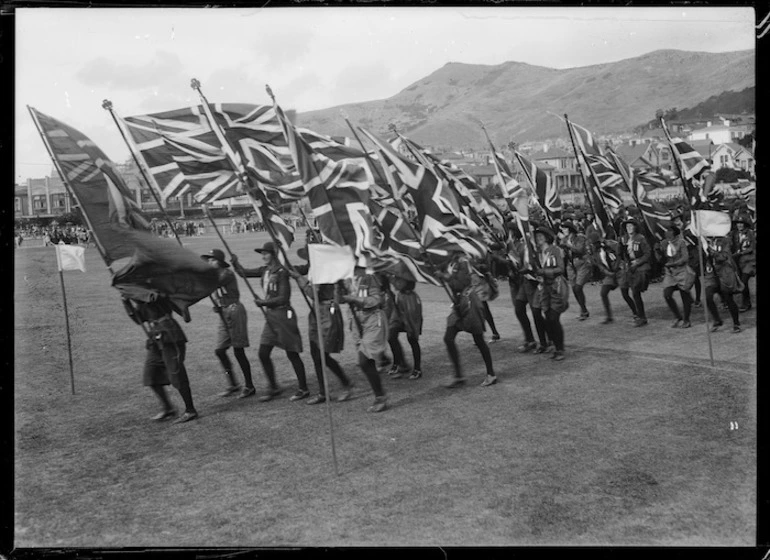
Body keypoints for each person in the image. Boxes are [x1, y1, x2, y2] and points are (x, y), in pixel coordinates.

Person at [232, 242, 310, 402]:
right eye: (262, 253)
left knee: (291, 353)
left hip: (283, 314)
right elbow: (243, 273)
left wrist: (263, 303)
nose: (263, 256)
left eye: (266, 253)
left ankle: (303, 388)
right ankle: (274, 387)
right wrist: (235, 262)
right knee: (263, 353)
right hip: (271, 317)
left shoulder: (282, 271)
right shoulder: (264, 271)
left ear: (274, 255)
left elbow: (283, 297)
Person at [289, 247, 354, 405]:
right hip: (317, 313)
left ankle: (345, 384)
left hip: (327, 313)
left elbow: (313, 294)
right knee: (316, 354)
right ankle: (324, 392)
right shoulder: (316, 270)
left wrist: (299, 278)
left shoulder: (325, 272)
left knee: (322, 355)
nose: (309, 260)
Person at [122, 292, 199, 424]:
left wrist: (132, 295)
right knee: (151, 374)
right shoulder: (141, 299)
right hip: (155, 339)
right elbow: (138, 319)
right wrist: (126, 302)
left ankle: (190, 410)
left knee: (177, 374)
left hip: (169, 336)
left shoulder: (156, 293)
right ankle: (168, 408)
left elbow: (153, 298)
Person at [435, 251, 498, 387]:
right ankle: (458, 376)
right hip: (458, 303)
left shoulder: (463, 262)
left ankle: (491, 374)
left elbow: (461, 283)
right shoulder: (450, 263)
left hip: (470, 303)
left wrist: (445, 277)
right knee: (448, 338)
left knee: (479, 340)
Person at [200, 248, 257, 399]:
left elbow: (214, 284)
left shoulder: (227, 273)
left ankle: (249, 385)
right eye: (208, 260)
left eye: (212, 259)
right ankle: (233, 383)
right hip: (224, 313)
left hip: (235, 311)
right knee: (220, 350)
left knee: (238, 350)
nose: (209, 262)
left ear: (219, 261)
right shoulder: (216, 275)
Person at [341, 266, 389, 413]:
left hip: (373, 319)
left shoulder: (369, 277)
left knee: (364, 360)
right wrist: (337, 287)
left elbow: (376, 300)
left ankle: (381, 397)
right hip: (356, 321)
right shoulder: (346, 278)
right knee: (366, 363)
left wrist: (354, 298)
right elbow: (339, 299)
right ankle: (380, 395)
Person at [533, 226, 569, 361]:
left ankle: (560, 349)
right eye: (537, 236)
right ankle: (555, 345)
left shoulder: (555, 250)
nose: (538, 238)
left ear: (547, 237)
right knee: (548, 318)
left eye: (541, 236)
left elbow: (561, 268)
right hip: (544, 288)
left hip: (556, 286)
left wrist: (544, 272)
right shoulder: (536, 253)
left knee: (554, 318)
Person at [386, 272, 424, 380]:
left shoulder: (407, 269)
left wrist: (390, 277)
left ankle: (417, 369)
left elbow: (399, 285)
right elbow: (397, 285)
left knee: (412, 337)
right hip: (400, 300)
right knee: (391, 335)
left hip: (410, 302)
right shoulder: (397, 268)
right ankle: (398, 363)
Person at [703, 235, 742, 333]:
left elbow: (723, 256)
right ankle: (717, 320)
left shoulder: (724, 241)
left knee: (728, 299)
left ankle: (736, 324)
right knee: (707, 296)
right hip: (712, 275)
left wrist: (710, 251)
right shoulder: (705, 242)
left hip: (724, 275)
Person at [659, 225, 696, 328]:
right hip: (670, 273)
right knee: (667, 294)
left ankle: (686, 320)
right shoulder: (664, 243)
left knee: (684, 296)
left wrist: (674, 263)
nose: (667, 232)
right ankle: (677, 316)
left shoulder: (681, 242)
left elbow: (685, 258)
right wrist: (658, 252)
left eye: (670, 230)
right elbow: (663, 258)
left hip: (681, 271)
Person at [618, 218, 652, 327]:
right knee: (624, 291)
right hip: (627, 268)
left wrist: (638, 262)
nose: (629, 228)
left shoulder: (640, 238)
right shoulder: (624, 239)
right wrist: (621, 247)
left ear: (635, 227)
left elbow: (647, 253)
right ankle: (636, 312)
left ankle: (642, 317)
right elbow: (620, 254)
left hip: (639, 268)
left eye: (631, 226)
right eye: (627, 227)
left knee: (635, 292)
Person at [559, 220, 591, 320]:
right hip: (570, 264)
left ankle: (584, 311)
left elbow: (580, 250)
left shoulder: (580, 238)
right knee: (574, 288)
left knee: (578, 288)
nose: (563, 230)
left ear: (570, 229)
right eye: (562, 228)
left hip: (582, 263)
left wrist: (568, 245)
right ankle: (583, 310)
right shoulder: (564, 239)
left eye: (565, 228)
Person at [672, 211, 702, 307]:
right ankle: (691, 299)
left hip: (692, 255)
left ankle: (697, 299)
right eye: (674, 220)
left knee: (694, 277)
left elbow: (695, 242)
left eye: (677, 219)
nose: (677, 222)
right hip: (683, 256)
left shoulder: (688, 229)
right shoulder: (675, 233)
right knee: (685, 278)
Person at [589, 231, 621, 324]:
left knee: (625, 293)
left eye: (595, 243)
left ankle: (636, 313)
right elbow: (599, 265)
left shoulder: (610, 244)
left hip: (619, 270)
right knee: (603, 293)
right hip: (609, 273)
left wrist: (616, 268)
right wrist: (608, 273)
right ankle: (609, 316)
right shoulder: (595, 251)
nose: (594, 245)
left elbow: (619, 254)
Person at [731, 213, 755, 312]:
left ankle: (746, 303)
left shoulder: (750, 233)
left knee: (743, 282)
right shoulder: (734, 234)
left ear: (745, 224)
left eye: (741, 223)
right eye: (738, 223)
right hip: (738, 262)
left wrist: (742, 252)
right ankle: (746, 303)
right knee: (741, 282)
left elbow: (752, 247)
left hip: (749, 261)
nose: (740, 225)